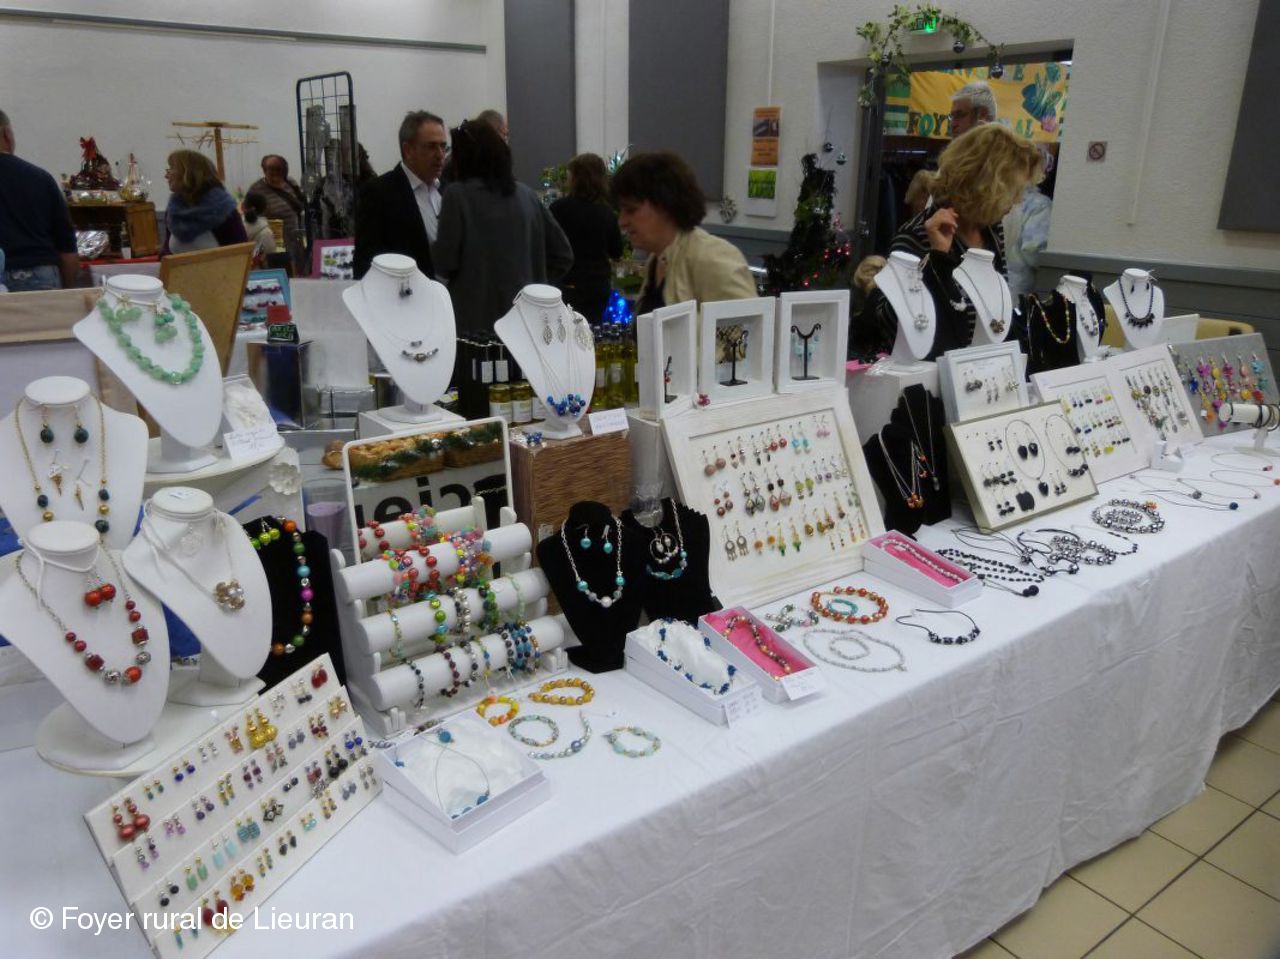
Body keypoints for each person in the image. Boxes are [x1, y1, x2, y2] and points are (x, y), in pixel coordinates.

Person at [854, 124, 1043, 357]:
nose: (1018, 200)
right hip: (931, 372)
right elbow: (891, 324)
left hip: (980, 369)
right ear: (987, 185)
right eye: (1014, 190)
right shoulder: (917, 235)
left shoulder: (991, 232)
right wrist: (938, 259)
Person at [432, 119, 572, 335]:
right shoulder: (527, 195)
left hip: (475, 323)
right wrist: (535, 281)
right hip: (527, 321)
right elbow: (563, 255)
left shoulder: (457, 196)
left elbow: (444, 262)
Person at [610, 151, 756, 313]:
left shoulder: (711, 257)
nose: (621, 221)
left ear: (664, 205)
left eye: (631, 210)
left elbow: (747, 325)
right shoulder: (656, 261)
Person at [354, 110, 448, 279]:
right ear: (408, 150)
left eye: (443, 146)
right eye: (431, 146)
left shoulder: (447, 190)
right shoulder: (380, 193)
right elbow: (365, 263)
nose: (440, 155)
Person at [0, 108, 79, 291]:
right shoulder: (40, 178)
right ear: (7, 135)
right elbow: (67, 249)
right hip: (38, 275)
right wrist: (67, 293)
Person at [551, 153, 624, 324]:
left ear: (575, 178)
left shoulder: (559, 209)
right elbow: (617, 251)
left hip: (567, 283)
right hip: (598, 286)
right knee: (591, 330)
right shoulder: (607, 213)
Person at [162, 150, 247, 254]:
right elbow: (166, 252)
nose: (166, 176)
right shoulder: (174, 210)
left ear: (188, 172)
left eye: (171, 169)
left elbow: (240, 254)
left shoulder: (222, 209)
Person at [249, 154, 307, 274]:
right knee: (285, 275)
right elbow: (251, 218)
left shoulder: (290, 182)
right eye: (271, 170)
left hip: (298, 239)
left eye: (279, 170)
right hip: (277, 246)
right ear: (264, 170)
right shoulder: (256, 189)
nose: (275, 173)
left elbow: (301, 202)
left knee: (301, 272)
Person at [241, 191, 278, 265]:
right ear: (265, 209)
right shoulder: (266, 232)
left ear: (243, 207)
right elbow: (270, 259)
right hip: (259, 271)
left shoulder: (238, 226)